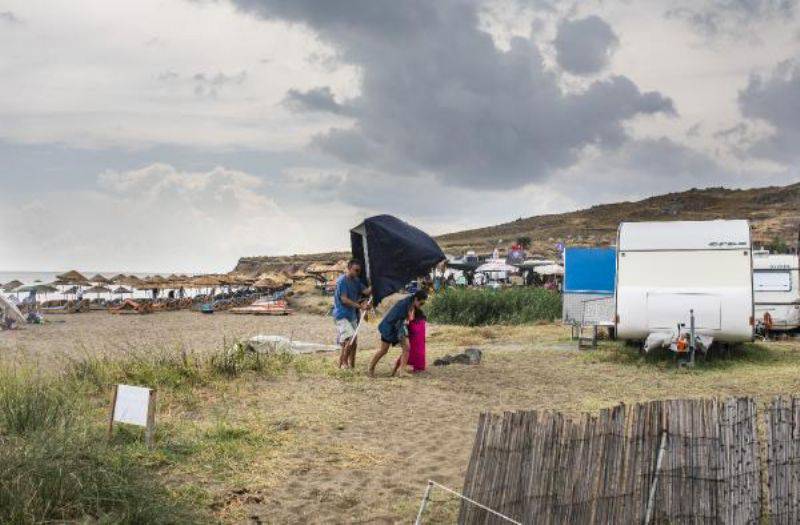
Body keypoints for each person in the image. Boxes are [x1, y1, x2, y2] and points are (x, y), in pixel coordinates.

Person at [368, 290, 428, 377]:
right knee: (384, 350)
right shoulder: (406, 304)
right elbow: (407, 319)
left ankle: (402, 371)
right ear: (416, 299)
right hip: (389, 327)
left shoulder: (410, 302)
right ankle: (370, 367)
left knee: (406, 347)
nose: (421, 306)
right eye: (421, 303)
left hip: (396, 326)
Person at [333, 259, 371, 369]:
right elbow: (344, 299)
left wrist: (376, 284)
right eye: (356, 270)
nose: (358, 272)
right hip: (341, 315)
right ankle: (345, 363)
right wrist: (360, 306)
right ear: (349, 268)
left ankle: (350, 366)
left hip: (352, 316)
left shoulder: (356, 280)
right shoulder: (342, 281)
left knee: (352, 343)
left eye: (359, 271)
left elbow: (366, 292)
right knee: (350, 339)